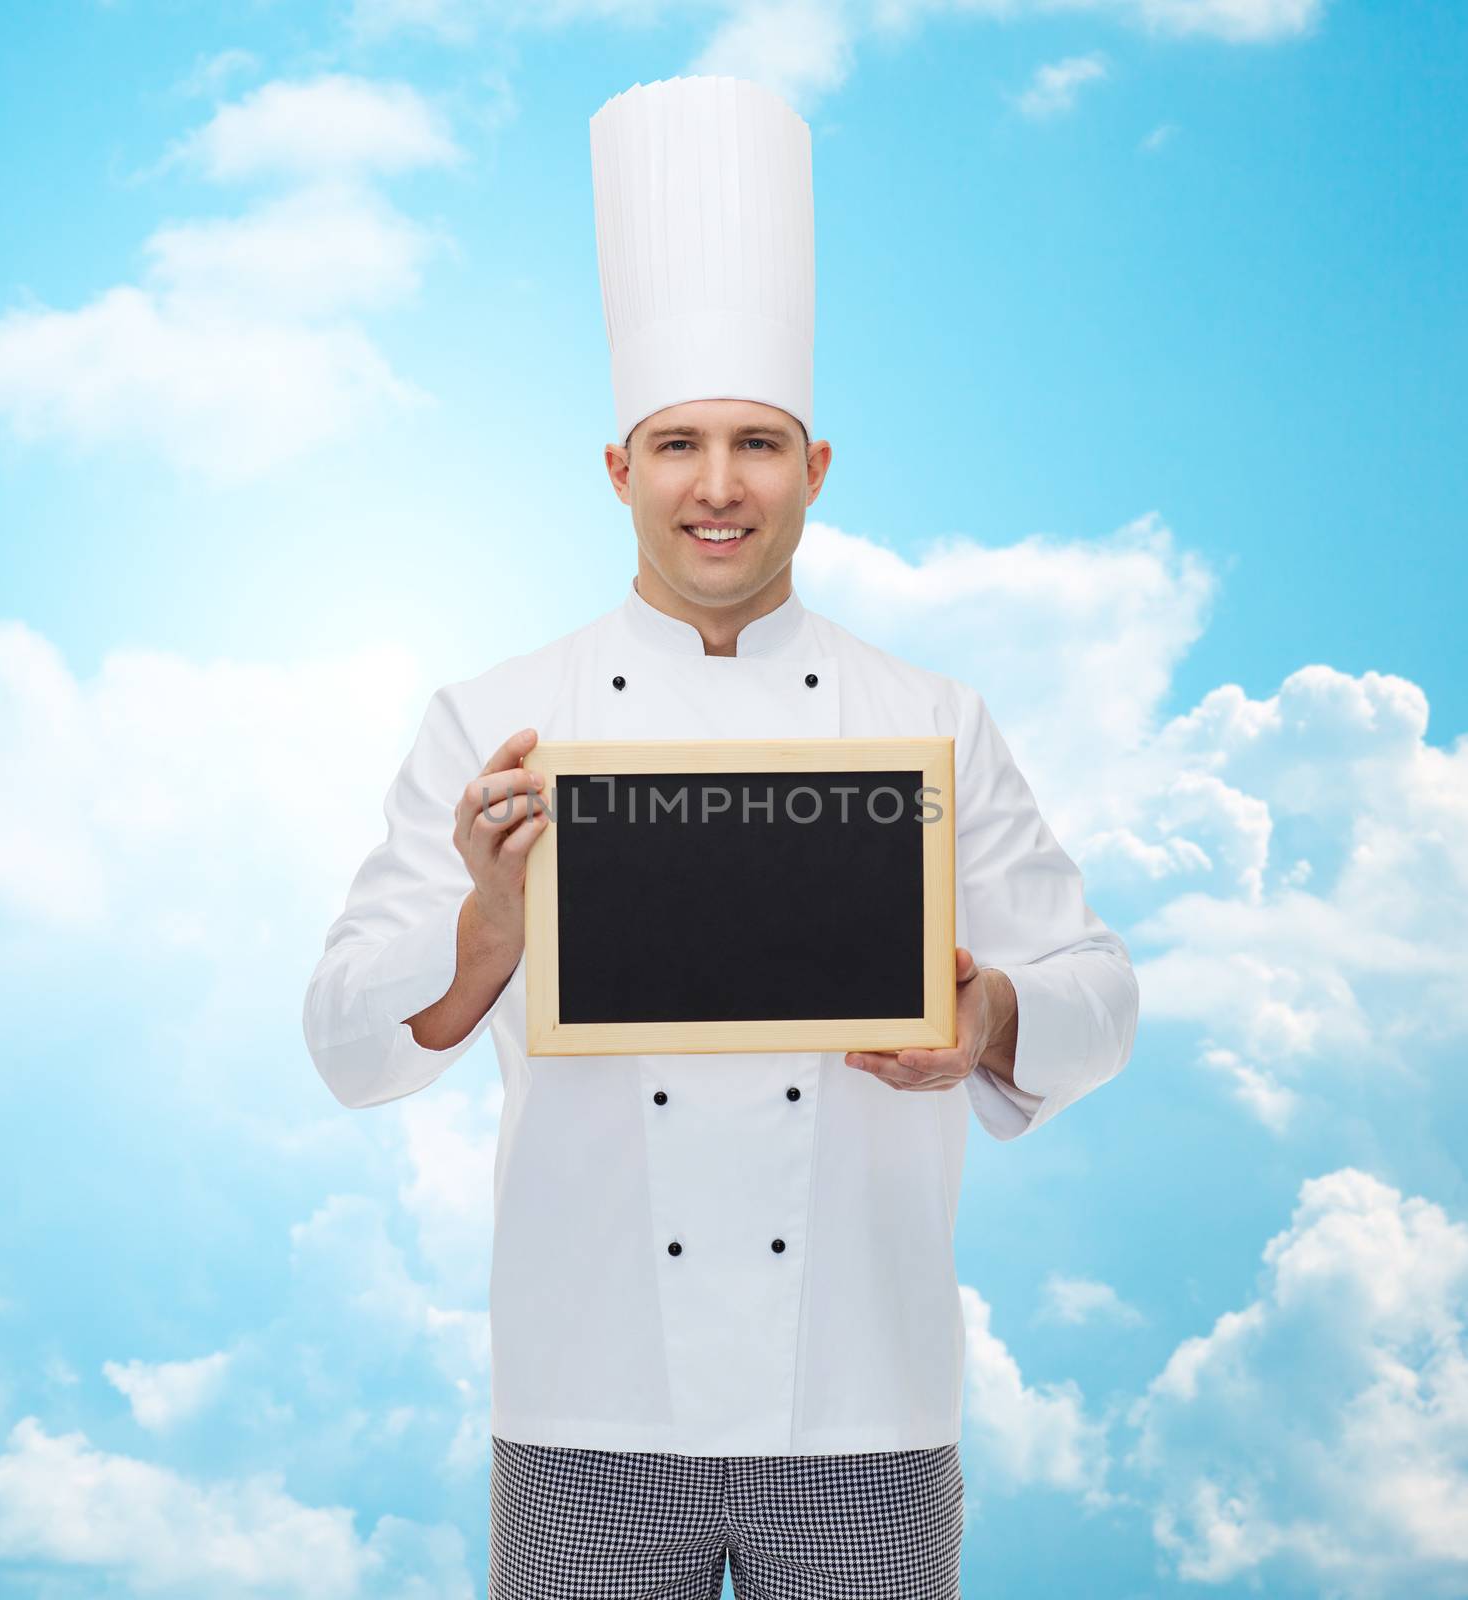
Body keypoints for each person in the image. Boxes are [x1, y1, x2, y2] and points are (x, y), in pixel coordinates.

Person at [302, 74, 1139, 1600]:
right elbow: (349, 1049)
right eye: (676, 443)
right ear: (617, 470)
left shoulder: (928, 721)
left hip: (867, 1405)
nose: (716, 485)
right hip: (580, 1399)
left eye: (757, 443)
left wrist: (990, 1011)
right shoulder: (499, 720)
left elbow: (1097, 988)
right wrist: (484, 934)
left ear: (814, 471)